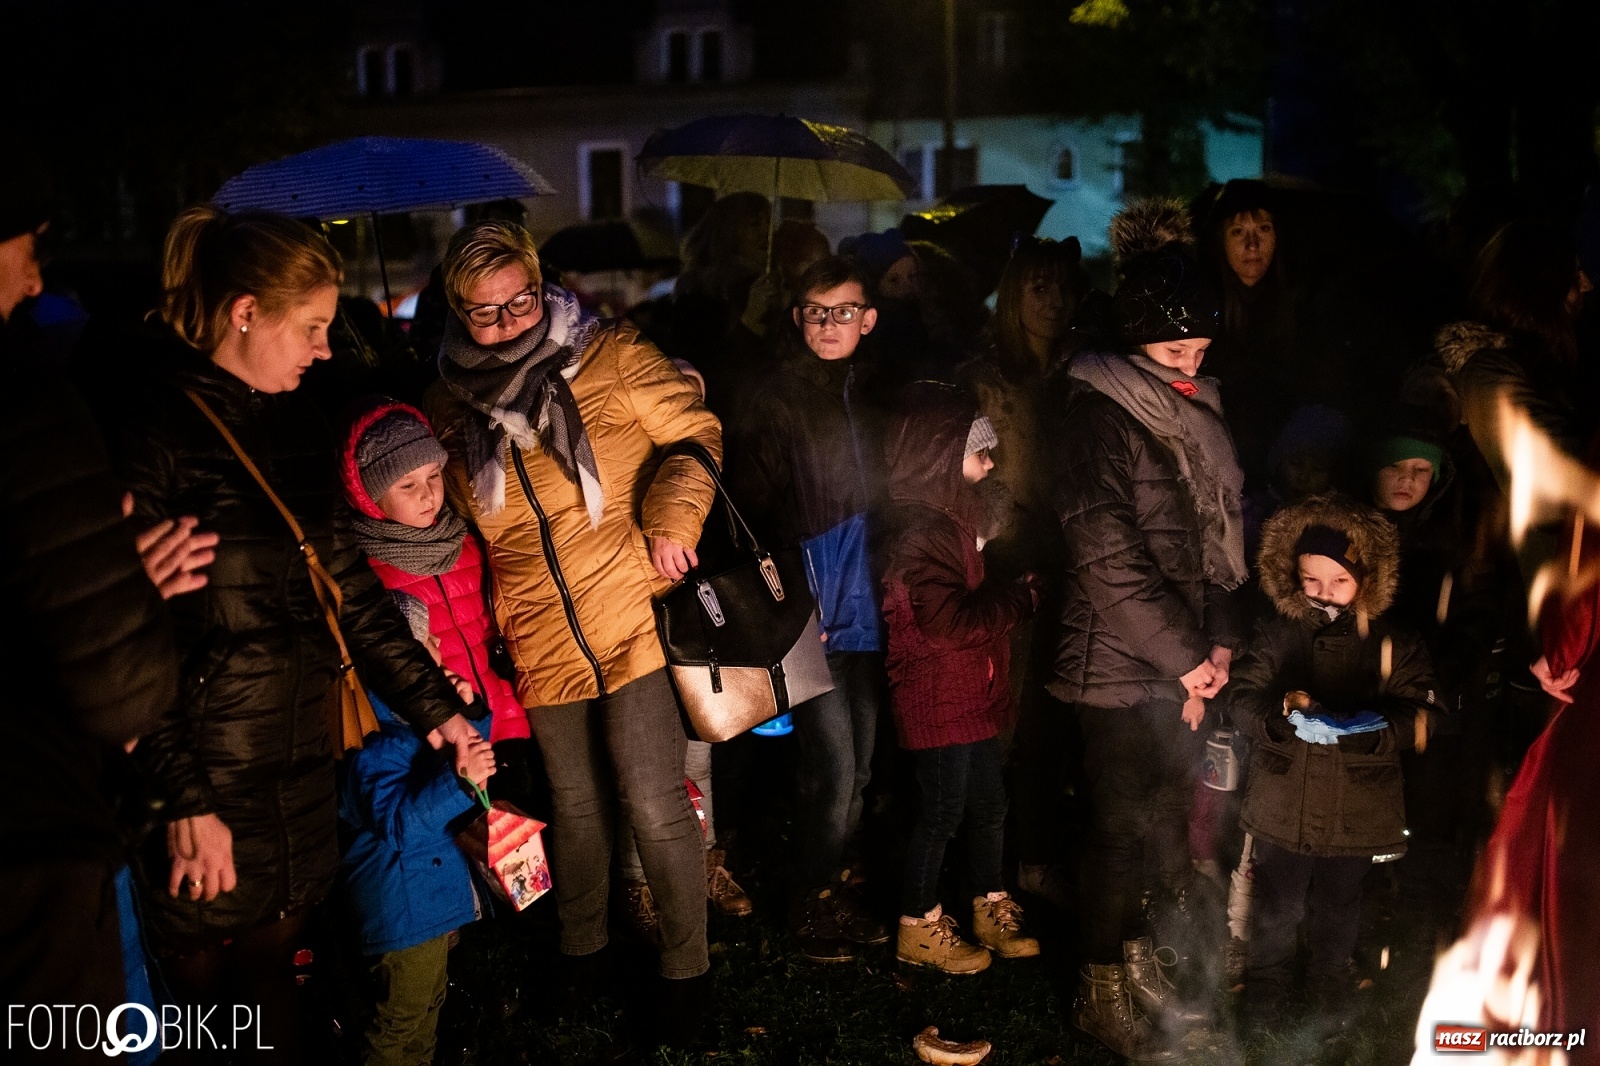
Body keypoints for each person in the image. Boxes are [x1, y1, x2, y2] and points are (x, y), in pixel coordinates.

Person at [115, 206, 478, 1062]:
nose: (325, 349)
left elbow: (350, 594)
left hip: (298, 763)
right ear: (246, 312)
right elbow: (135, 643)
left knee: (277, 987)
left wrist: (438, 711)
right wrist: (183, 801)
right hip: (205, 773)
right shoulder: (154, 433)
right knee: (201, 1001)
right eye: (311, 327)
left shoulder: (297, 426)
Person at [424, 219, 720, 1045]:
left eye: (522, 301)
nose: (511, 321)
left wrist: (672, 515)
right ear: (457, 312)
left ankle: (685, 974)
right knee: (577, 805)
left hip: (634, 609)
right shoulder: (448, 403)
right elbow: (455, 526)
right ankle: (581, 952)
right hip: (540, 635)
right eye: (487, 314)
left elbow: (697, 432)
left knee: (651, 795)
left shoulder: (610, 355)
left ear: (541, 285)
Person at [1048, 199, 1246, 1058]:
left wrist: (1220, 642)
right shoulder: (1097, 415)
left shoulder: (1192, 415)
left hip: (1176, 663)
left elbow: (1216, 537)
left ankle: (1135, 956)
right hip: (1114, 662)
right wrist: (1189, 657)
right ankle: (1098, 985)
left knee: (1159, 817)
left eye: (1200, 352)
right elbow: (1106, 551)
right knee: (1118, 828)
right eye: (1175, 352)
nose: (1191, 368)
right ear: (1132, 341)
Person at [0, 154, 180, 1061]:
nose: (35, 277)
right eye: (24, 248)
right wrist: (131, 590)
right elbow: (123, 690)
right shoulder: (29, 414)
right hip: (30, 845)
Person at [730, 255, 891, 964]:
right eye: (817, 312)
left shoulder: (874, 391)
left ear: (868, 319)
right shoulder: (777, 397)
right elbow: (751, 511)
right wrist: (788, 597)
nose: (831, 325)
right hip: (814, 611)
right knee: (832, 766)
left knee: (858, 768)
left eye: (844, 311)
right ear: (798, 318)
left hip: (871, 606)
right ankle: (809, 901)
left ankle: (834, 883)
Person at [1228, 496, 1437, 1029]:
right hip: (1285, 796)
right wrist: (1278, 718)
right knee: (1277, 897)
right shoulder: (1278, 633)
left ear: (1364, 579)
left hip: (1357, 803)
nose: (1323, 593)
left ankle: (1328, 976)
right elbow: (1241, 697)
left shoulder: (1393, 642)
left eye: (1338, 581)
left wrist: (1368, 727)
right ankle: (1267, 981)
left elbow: (1423, 714)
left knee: (1341, 899)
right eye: (1310, 580)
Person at [881, 382, 1041, 975]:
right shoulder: (923, 532)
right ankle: (918, 922)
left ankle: (989, 901)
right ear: (942, 456)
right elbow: (946, 625)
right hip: (936, 695)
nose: (991, 461)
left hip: (966, 691)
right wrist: (1018, 601)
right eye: (980, 451)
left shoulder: (951, 521)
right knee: (944, 808)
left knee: (990, 803)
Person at [338, 398, 525, 743]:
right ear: (368, 495)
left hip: (503, 716)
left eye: (434, 476)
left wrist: (511, 717)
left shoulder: (465, 542)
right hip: (438, 734)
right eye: (407, 485)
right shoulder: (365, 571)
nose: (428, 494)